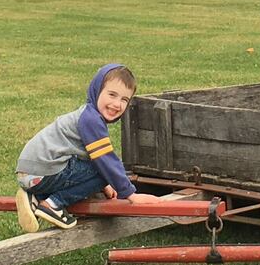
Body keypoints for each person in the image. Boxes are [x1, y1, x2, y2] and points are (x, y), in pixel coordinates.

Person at [14, 64, 165, 231]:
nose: (117, 104)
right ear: (96, 90)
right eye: (112, 95)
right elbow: (104, 160)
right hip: (45, 171)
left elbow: (84, 157)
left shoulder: (86, 114)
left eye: (124, 100)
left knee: (102, 171)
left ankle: (35, 196)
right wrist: (130, 194)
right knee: (106, 169)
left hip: (30, 173)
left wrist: (103, 185)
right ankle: (53, 204)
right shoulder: (91, 120)